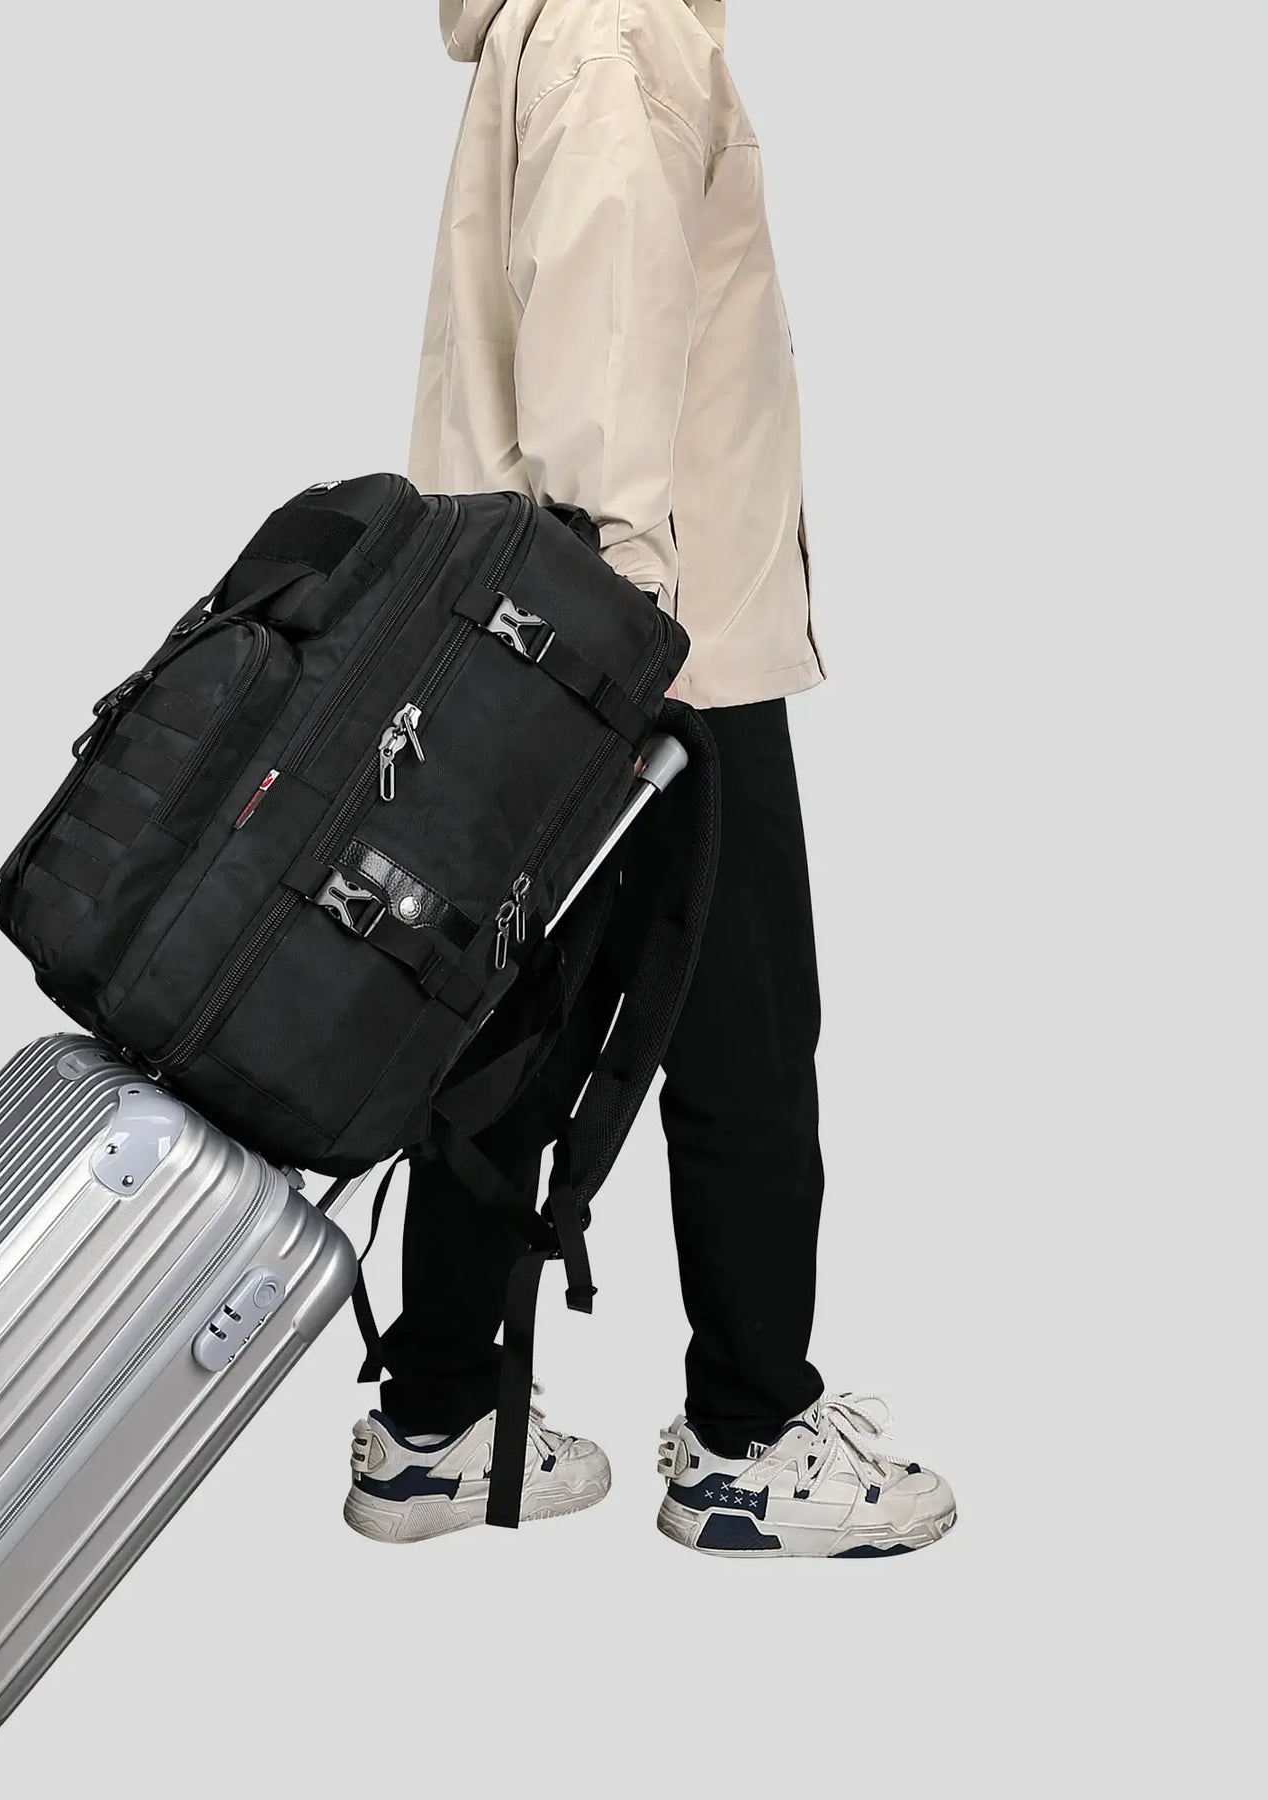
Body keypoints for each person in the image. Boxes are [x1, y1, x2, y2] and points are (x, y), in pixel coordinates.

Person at [342, 0, 955, 1556]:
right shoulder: (620, 37)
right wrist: (622, 636)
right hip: (660, 648)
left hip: (540, 635)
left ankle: (437, 1423)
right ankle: (749, 1444)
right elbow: (603, 348)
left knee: (515, 1022)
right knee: (746, 1040)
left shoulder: (558, 28)